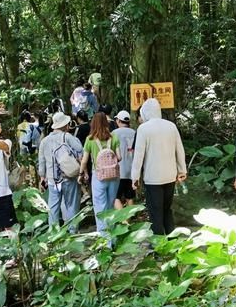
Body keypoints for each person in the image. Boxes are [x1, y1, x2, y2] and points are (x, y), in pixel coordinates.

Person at [131, 98, 187, 235]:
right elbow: (179, 150)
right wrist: (182, 170)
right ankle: (172, 241)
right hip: (170, 175)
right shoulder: (171, 126)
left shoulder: (143, 129)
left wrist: (135, 177)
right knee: (167, 209)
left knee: (155, 212)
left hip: (152, 178)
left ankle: (158, 245)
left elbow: (138, 156)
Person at [37, 110, 84, 230]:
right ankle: (72, 232)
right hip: (69, 177)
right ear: (65, 125)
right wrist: (83, 172)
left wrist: (42, 178)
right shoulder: (68, 137)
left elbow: (41, 162)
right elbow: (81, 153)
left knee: (53, 207)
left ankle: (54, 233)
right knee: (72, 205)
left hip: (53, 180)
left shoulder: (44, 141)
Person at [79, 111, 122, 237]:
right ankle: (112, 238)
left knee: (100, 208)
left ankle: (105, 241)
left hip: (99, 176)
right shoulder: (113, 137)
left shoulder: (90, 139)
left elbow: (84, 160)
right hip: (114, 176)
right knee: (110, 206)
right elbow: (119, 157)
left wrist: (81, 174)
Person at [112, 110, 136, 209]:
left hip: (118, 171)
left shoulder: (114, 133)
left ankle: (124, 220)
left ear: (118, 120)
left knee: (115, 197)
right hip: (132, 171)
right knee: (129, 196)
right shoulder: (135, 133)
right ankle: (129, 219)